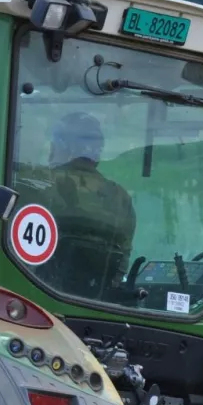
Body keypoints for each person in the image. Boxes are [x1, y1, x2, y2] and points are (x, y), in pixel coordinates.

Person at [22, 111, 136, 299]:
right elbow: (122, 260)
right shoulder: (120, 197)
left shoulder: (43, 182)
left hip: (34, 295)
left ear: (60, 147)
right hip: (95, 301)